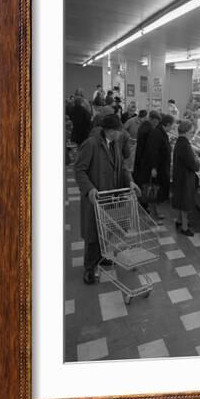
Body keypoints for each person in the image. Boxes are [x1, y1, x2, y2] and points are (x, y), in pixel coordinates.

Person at [74, 114, 140, 285]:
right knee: (93, 235)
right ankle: (89, 268)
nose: (120, 134)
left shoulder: (115, 144)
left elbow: (122, 167)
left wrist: (131, 183)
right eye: (118, 131)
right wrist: (89, 189)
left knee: (107, 231)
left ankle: (102, 257)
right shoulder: (91, 144)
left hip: (112, 196)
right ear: (110, 131)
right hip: (96, 198)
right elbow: (79, 170)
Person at [138, 113, 175, 222]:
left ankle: (154, 208)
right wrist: (153, 168)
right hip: (158, 168)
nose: (172, 128)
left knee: (158, 188)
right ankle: (156, 211)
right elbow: (152, 151)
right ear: (167, 124)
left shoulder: (161, 132)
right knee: (157, 188)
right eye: (172, 125)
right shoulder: (157, 133)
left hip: (161, 166)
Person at [171, 120, 200, 236]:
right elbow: (194, 165)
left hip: (179, 175)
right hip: (185, 178)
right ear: (187, 131)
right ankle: (184, 227)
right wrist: (197, 160)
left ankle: (179, 221)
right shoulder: (185, 145)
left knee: (180, 200)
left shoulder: (179, 142)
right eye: (192, 132)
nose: (192, 134)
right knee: (185, 202)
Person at [133, 110, 161, 188]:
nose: (156, 124)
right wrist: (153, 166)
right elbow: (150, 149)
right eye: (156, 122)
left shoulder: (143, 126)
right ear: (152, 119)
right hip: (145, 161)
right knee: (144, 183)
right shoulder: (150, 130)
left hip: (139, 158)